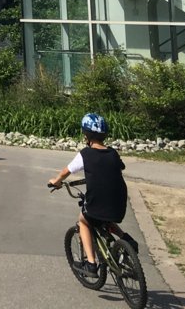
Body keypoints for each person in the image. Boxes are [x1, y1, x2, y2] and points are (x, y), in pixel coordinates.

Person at [47, 112, 134, 275]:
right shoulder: (113, 153)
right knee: (104, 219)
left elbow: (67, 171)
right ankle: (126, 239)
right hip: (119, 202)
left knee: (84, 221)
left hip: (98, 201)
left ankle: (91, 264)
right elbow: (119, 167)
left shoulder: (85, 154)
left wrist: (56, 181)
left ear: (86, 135)